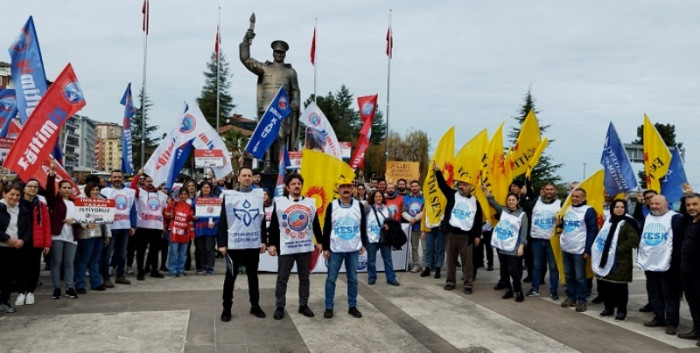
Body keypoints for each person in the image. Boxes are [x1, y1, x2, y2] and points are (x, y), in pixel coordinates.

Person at [267, 173, 322, 320]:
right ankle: (280, 306)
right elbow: (273, 226)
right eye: (293, 184)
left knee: (304, 278)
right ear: (287, 187)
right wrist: (271, 244)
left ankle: (303, 305)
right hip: (286, 247)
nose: (296, 186)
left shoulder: (310, 203)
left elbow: (315, 224)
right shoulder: (279, 202)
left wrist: (320, 241)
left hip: (304, 248)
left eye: (299, 183)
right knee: (282, 278)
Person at [240, 27, 300, 158]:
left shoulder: (290, 72)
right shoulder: (265, 68)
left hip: (282, 110)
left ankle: (281, 162)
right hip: (266, 108)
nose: (279, 54)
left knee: (281, 135)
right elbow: (246, 59)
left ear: (285, 54)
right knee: (266, 135)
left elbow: (295, 90)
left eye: (282, 52)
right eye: (277, 52)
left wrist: (295, 101)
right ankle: (267, 163)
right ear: (273, 53)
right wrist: (247, 40)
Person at [218, 166, 267, 322]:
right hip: (234, 245)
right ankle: (226, 309)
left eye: (249, 175)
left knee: (253, 278)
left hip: (252, 244)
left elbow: (261, 219)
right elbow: (223, 221)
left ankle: (255, 306)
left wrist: (263, 240)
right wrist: (222, 243)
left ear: (253, 178)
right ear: (238, 178)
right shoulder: (229, 196)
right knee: (230, 278)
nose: (247, 178)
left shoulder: (258, 196)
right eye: (244, 175)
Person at [637, 195, 684, 335]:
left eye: (657, 203)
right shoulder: (648, 217)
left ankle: (671, 322)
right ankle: (659, 317)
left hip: (668, 264)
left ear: (666, 204)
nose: (654, 206)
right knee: (654, 293)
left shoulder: (676, 218)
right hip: (650, 263)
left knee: (670, 295)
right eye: (652, 204)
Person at [433, 162, 483, 294]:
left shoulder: (475, 202)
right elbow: (442, 185)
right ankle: (450, 282)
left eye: (464, 185)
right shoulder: (452, 194)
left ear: (470, 187)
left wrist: (477, 235)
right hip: (451, 233)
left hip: (466, 236)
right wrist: (438, 172)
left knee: (467, 262)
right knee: (450, 260)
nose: (461, 186)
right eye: (460, 184)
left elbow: (478, 220)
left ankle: (468, 284)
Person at [322, 177, 367, 319]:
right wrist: (326, 247)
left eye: (348, 186)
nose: (346, 189)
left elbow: (362, 225)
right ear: (339, 190)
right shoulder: (332, 205)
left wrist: (363, 243)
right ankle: (329, 307)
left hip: (353, 248)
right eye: (343, 187)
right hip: (336, 249)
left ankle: (352, 306)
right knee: (331, 279)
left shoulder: (359, 206)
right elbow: (327, 227)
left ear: (353, 189)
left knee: (353, 279)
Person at [591, 199, 640, 321]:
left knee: (620, 287)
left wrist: (617, 249)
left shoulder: (628, 223)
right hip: (605, 258)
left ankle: (622, 311)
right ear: (612, 208)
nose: (619, 209)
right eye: (616, 207)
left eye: (622, 207)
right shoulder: (608, 221)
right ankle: (609, 308)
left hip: (620, 260)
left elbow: (634, 240)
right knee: (606, 285)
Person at [558, 188, 598, 312]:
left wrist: (587, 250)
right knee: (569, 275)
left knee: (580, 277)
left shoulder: (589, 210)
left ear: (584, 198)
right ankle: (571, 298)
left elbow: (592, 231)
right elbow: (566, 226)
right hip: (566, 247)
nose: (574, 198)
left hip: (579, 249)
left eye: (578, 196)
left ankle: (581, 300)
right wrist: (559, 224)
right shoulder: (567, 208)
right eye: (573, 196)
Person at [485, 189, 529, 302]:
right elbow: (493, 203)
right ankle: (508, 290)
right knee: (504, 270)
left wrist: (521, 246)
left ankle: (519, 291)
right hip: (502, 245)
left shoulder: (522, 215)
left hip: (514, 246)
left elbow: (524, 232)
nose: (511, 202)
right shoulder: (503, 210)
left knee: (513, 270)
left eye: (513, 200)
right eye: (509, 200)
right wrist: (487, 193)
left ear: (517, 201)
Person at [46, 162, 80, 299]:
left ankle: (70, 288)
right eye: (64, 187)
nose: (67, 190)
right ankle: (57, 288)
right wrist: (52, 174)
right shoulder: (54, 201)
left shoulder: (76, 203)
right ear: (59, 189)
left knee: (69, 263)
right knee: (56, 263)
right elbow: (48, 189)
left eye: (69, 188)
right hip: (58, 236)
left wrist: (75, 221)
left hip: (72, 237)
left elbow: (82, 218)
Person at [16, 179, 50, 306]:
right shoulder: (16, 203)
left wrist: (47, 243)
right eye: (30, 186)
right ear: (24, 188)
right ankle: (20, 292)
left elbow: (46, 225)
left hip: (36, 241)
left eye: (35, 187)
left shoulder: (41, 205)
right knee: (19, 268)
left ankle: (30, 291)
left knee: (34, 268)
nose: (32, 189)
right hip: (19, 240)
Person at [130, 170, 168, 280]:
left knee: (155, 251)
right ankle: (140, 271)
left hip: (156, 227)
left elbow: (163, 211)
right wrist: (138, 175)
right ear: (144, 182)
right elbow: (133, 187)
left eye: (153, 181)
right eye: (148, 181)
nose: (150, 183)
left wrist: (164, 225)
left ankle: (154, 270)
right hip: (142, 226)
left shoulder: (162, 195)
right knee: (141, 251)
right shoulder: (139, 192)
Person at [100, 170, 136, 286]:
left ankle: (120, 276)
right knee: (107, 253)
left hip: (125, 227)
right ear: (110, 178)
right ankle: (105, 277)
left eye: (119, 177)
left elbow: (133, 210)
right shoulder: (105, 191)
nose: (117, 179)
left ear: (123, 179)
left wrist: (133, 225)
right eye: (114, 177)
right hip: (110, 228)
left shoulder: (129, 192)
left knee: (122, 254)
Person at [0, 183, 32, 313]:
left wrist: (23, 240)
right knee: (2, 276)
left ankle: (4, 301)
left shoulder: (22, 209)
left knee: (10, 277)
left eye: (17, 195)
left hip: (17, 247)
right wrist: (7, 238)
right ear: (4, 194)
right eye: (11, 194)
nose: (14, 197)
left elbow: (28, 228)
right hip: (2, 246)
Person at [526, 182, 561, 300]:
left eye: (551, 189)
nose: (549, 191)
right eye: (547, 189)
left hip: (552, 241)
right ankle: (534, 289)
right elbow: (524, 207)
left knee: (553, 268)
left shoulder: (560, 204)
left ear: (555, 190)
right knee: (536, 266)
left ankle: (554, 291)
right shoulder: (536, 202)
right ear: (543, 190)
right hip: (537, 239)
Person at [75, 182, 111, 293]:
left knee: (96, 259)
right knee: (83, 260)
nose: (95, 192)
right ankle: (80, 284)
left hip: (99, 234)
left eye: (97, 189)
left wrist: (107, 234)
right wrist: (85, 225)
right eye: (93, 189)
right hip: (86, 235)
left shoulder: (103, 201)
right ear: (88, 190)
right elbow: (77, 216)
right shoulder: (81, 200)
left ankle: (96, 283)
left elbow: (107, 220)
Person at [365, 190, 400, 286]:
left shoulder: (387, 209)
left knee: (388, 259)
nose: (378, 198)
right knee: (371, 259)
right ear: (373, 198)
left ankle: (391, 278)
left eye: (380, 196)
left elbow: (391, 222)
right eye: (376, 197)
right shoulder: (367, 208)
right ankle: (372, 277)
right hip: (371, 237)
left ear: (383, 198)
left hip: (385, 238)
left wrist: (388, 226)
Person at [679, 192, 700, 343]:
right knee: (692, 301)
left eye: (695, 204)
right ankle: (697, 330)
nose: (691, 207)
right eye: (688, 205)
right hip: (687, 271)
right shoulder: (689, 222)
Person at [633, 189, 658, 313]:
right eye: (647, 198)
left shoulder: (665, 211)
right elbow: (636, 218)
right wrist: (638, 203)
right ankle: (652, 303)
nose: (649, 200)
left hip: (660, 252)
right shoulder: (643, 210)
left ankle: (661, 305)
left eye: (651, 197)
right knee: (650, 281)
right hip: (647, 251)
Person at [165, 188, 194, 277]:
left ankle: (180, 270)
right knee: (174, 252)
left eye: (185, 194)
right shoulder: (174, 204)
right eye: (181, 194)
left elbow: (190, 221)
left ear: (188, 195)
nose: (183, 196)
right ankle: (173, 270)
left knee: (183, 253)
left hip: (185, 233)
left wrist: (192, 234)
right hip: (174, 232)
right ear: (178, 195)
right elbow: (166, 214)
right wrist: (170, 205)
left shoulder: (189, 207)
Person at [193, 181, 218, 275]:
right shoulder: (196, 200)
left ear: (210, 189)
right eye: (204, 187)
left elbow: (219, 214)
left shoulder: (215, 200)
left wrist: (215, 222)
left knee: (210, 249)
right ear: (201, 189)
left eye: (207, 187)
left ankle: (210, 267)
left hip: (210, 229)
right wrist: (193, 217)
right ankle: (203, 266)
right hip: (199, 228)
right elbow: (191, 211)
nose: (205, 189)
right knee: (201, 249)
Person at [402, 180, 424, 274]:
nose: (414, 188)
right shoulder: (406, 198)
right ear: (410, 188)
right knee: (414, 247)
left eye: (416, 186)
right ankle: (416, 264)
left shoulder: (424, 198)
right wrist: (410, 219)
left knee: (425, 247)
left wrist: (416, 218)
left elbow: (426, 210)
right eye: (412, 186)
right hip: (412, 227)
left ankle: (426, 265)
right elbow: (403, 211)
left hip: (423, 227)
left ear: (419, 187)